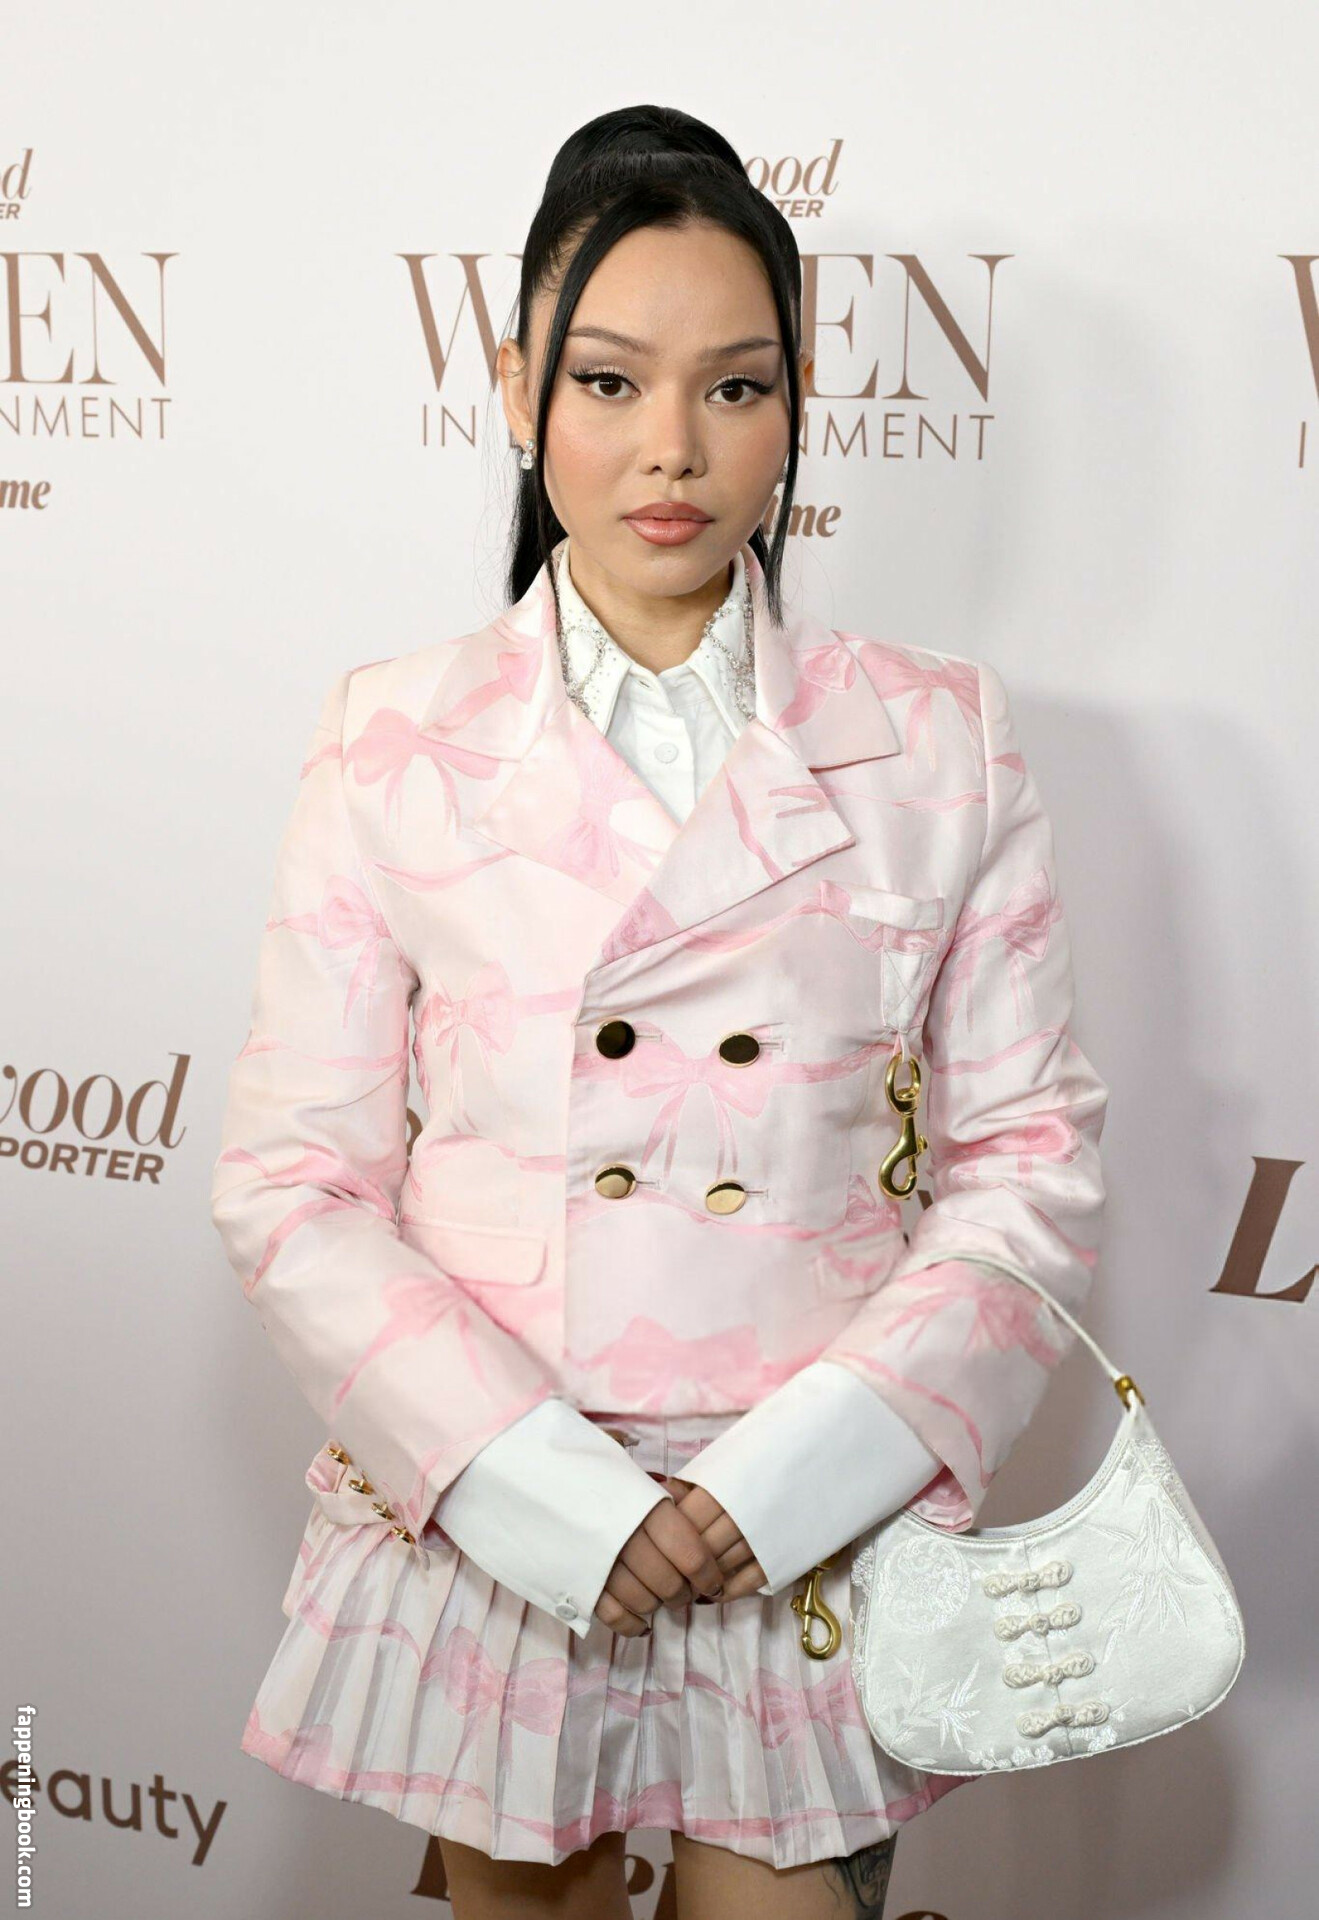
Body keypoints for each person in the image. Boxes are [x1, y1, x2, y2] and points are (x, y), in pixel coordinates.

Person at [210, 104, 1108, 1920]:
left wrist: (801, 1474)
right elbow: (294, 1179)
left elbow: (1030, 1162)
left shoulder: (936, 735)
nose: (672, 449)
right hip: (502, 1514)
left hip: (807, 1523)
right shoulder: (393, 735)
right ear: (518, 388)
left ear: (795, 406)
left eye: (736, 387)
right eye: (609, 383)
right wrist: (537, 1490)